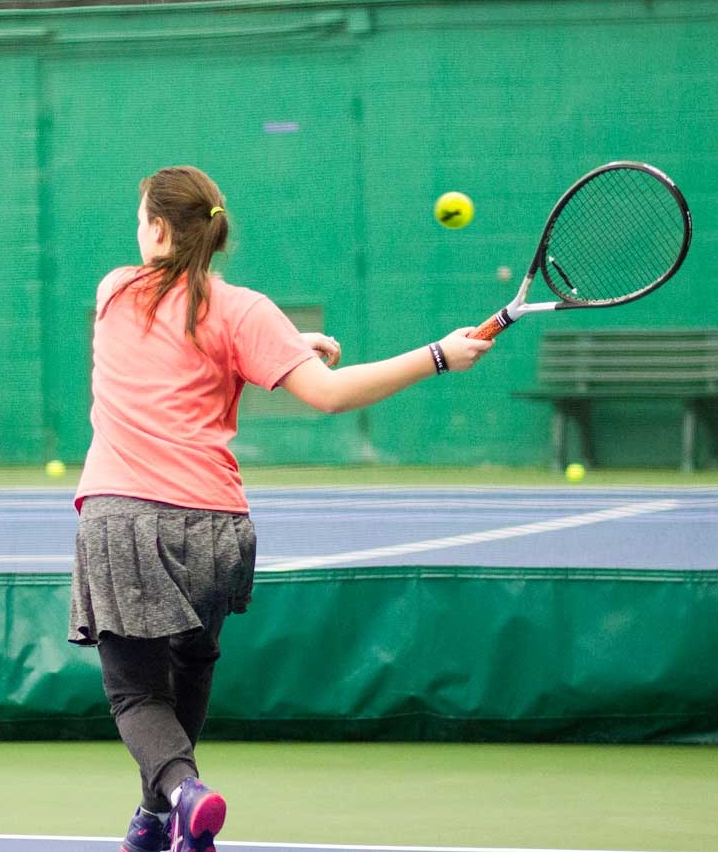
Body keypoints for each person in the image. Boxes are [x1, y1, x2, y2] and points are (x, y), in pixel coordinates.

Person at [70, 165, 493, 852]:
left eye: (140, 218)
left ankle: (184, 795)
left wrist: (288, 343)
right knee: (193, 665)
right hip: (213, 525)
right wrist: (437, 354)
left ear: (154, 229)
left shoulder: (115, 291)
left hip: (121, 517)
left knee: (138, 695)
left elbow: (185, 322)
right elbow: (323, 391)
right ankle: (155, 823)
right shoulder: (247, 312)